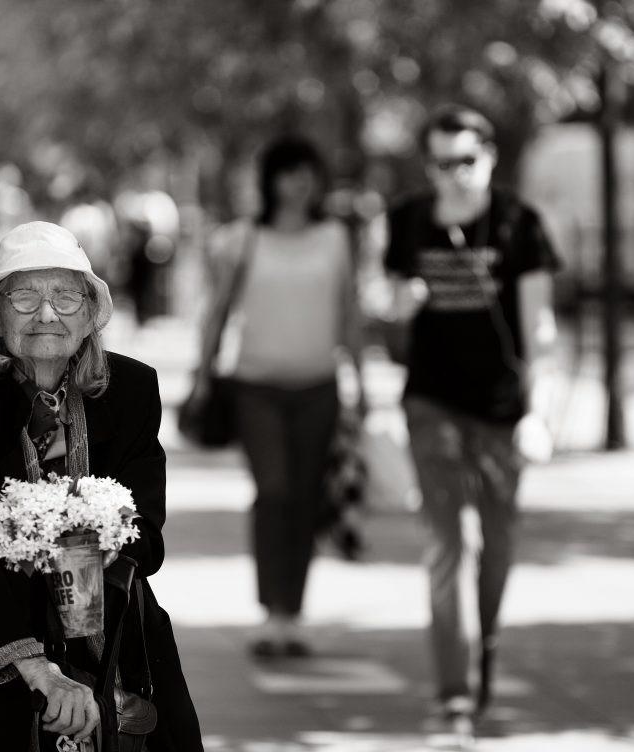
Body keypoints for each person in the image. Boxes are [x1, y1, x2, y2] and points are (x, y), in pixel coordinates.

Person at [0, 221, 203, 751]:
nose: (47, 314)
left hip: (112, 639)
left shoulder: (131, 389)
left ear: (91, 313)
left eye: (67, 297)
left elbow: (149, 538)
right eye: (24, 296)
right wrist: (34, 664)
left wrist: (84, 536)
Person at [382, 105, 560, 739]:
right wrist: (400, 303)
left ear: (490, 157)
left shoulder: (519, 223)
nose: (453, 175)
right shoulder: (407, 218)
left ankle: (483, 647)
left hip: (502, 410)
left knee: (498, 545)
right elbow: (392, 300)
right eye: (440, 162)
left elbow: (539, 328)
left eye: (465, 161)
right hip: (431, 402)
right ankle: (454, 692)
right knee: (452, 540)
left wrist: (538, 413)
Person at [188, 136, 366, 658]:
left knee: (308, 497)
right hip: (257, 387)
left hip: (320, 387)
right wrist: (202, 374)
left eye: (307, 170)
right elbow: (217, 311)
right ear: (271, 179)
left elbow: (349, 312)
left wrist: (360, 377)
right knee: (275, 491)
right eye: (288, 171)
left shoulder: (336, 236)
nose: (300, 181)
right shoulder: (245, 238)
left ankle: (292, 614)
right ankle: (270, 613)